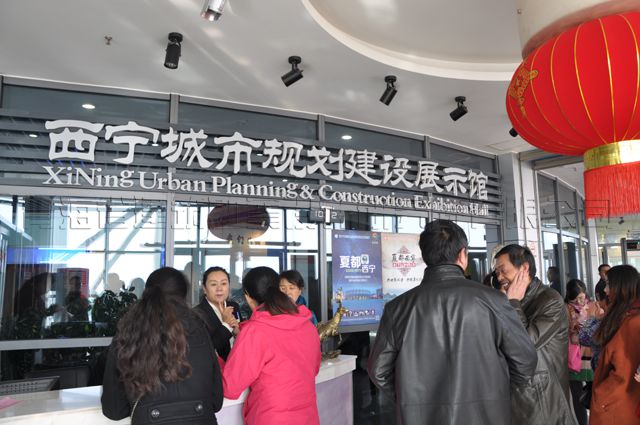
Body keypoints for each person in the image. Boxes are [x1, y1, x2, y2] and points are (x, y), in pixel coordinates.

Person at [368, 220, 537, 425]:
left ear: (425, 256)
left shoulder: (397, 308)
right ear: (463, 255)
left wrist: (412, 399)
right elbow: (525, 362)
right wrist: (496, 394)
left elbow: (379, 371)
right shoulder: (495, 301)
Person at [101, 267, 223, 424]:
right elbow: (216, 401)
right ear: (184, 295)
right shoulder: (200, 328)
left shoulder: (130, 331)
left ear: (147, 294)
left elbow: (114, 410)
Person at [222, 266, 321, 425]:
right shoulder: (307, 325)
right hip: (307, 416)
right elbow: (313, 369)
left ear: (247, 296)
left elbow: (230, 387)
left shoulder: (255, 331)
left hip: (271, 417)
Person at [493, 244, 577, 425]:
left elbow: (525, 344)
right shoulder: (508, 298)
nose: (499, 277)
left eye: (503, 270)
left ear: (524, 268)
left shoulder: (550, 300)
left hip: (544, 401)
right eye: (496, 272)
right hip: (518, 398)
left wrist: (512, 303)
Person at [590, 265, 640, 425]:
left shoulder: (632, 321)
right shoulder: (625, 315)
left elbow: (622, 370)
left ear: (621, 287)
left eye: (608, 284)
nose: (605, 290)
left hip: (618, 404)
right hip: (622, 402)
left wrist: (603, 394)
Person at [193, 266, 241, 361]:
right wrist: (227, 325)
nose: (219, 289)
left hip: (238, 363)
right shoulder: (196, 314)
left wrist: (237, 334)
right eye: (213, 284)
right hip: (215, 367)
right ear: (204, 289)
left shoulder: (234, 307)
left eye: (223, 283)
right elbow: (204, 349)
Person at [565, 279, 592, 425]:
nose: (580, 301)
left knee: (592, 392)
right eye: (577, 298)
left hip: (589, 356)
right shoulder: (565, 309)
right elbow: (570, 334)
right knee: (577, 394)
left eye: (582, 297)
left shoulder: (591, 307)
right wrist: (575, 325)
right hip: (573, 357)